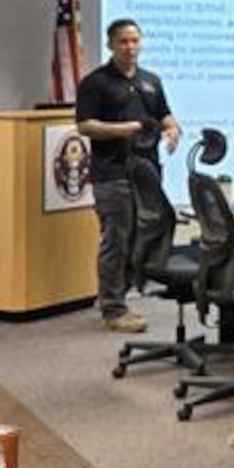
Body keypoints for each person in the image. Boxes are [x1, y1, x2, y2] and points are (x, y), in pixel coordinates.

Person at [75, 18, 181, 333]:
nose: (130, 47)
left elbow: (164, 114)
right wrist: (125, 129)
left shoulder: (151, 80)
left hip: (147, 173)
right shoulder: (96, 82)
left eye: (135, 41)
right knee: (116, 240)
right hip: (112, 173)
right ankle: (113, 308)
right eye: (123, 41)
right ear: (111, 45)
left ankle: (124, 293)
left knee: (142, 236)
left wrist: (173, 128)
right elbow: (84, 125)